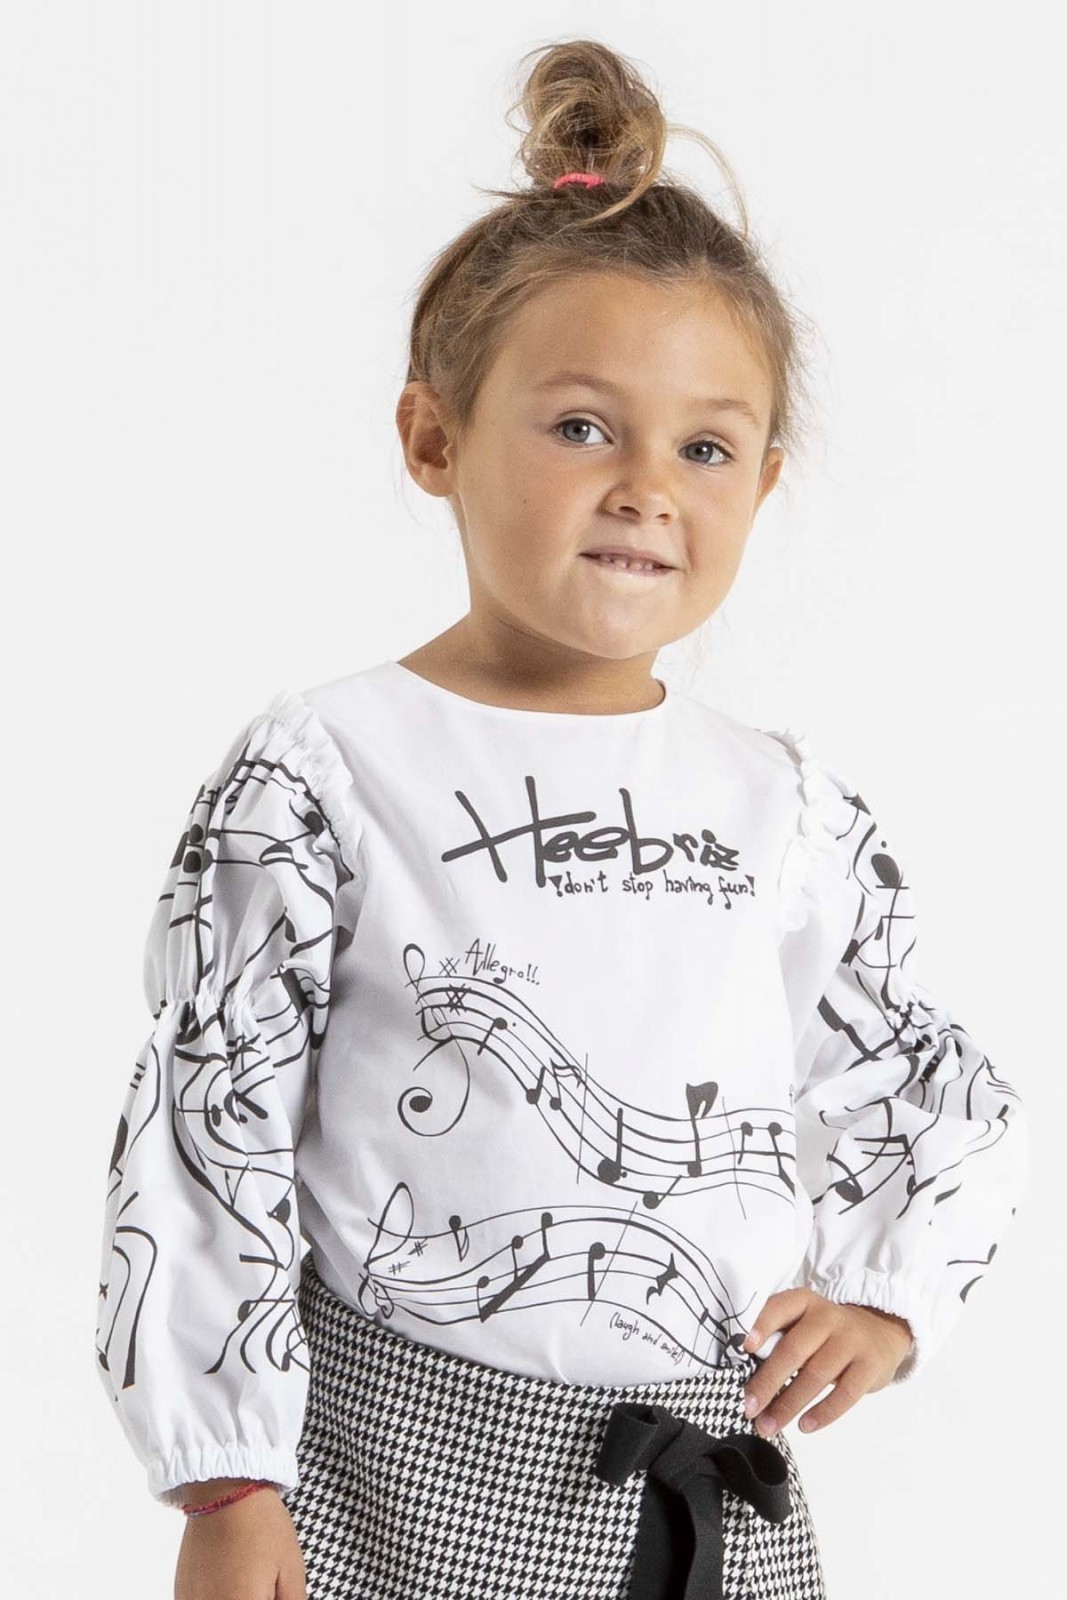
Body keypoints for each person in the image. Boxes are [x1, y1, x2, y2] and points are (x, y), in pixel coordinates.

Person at [94, 36, 1028, 1600]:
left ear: (763, 487)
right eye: (584, 426)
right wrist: (228, 1473)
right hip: (390, 1472)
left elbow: (913, 1065)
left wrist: (891, 1289)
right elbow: (211, 1123)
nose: (647, 485)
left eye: (705, 447)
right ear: (435, 437)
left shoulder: (785, 808)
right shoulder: (328, 770)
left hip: (707, 1485)